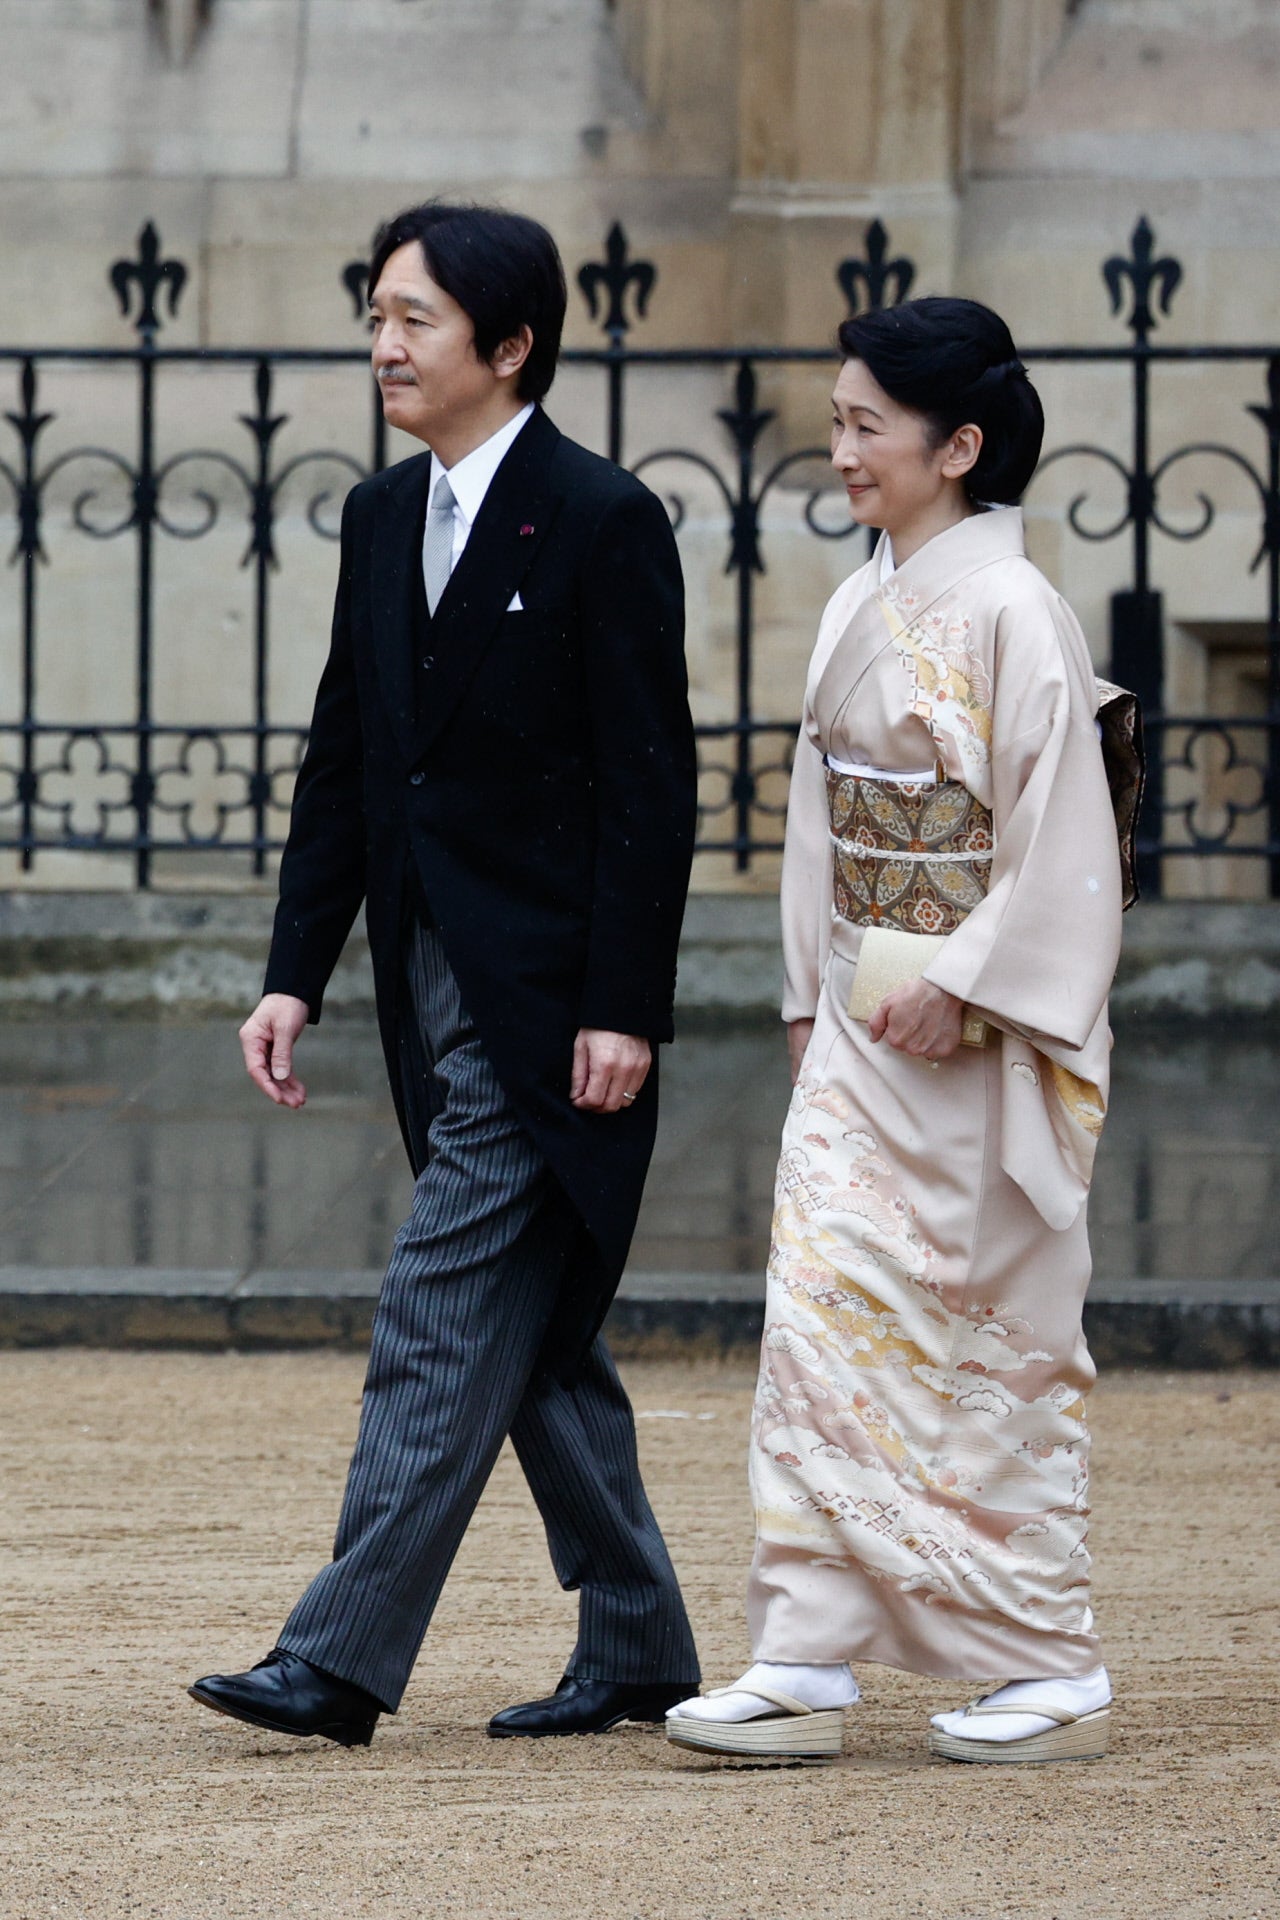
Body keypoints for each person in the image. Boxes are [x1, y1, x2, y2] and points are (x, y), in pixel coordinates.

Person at [189, 201, 701, 1748]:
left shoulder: (603, 517)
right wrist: (297, 976)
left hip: (546, 1005)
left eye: (414, 319)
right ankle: (639, 1638)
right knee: (527, 1327)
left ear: (512, 344)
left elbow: (650, 787)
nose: (384, 345)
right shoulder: (375, 515)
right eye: (377, 317)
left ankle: (337, 1656)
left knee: (436, 1301)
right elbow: (347, 763)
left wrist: (623, 1005)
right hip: (425, 980)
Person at [666, 296, 1129, 1765]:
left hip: (981, 1040)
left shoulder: (1014, 610)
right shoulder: (869, 593)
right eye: (843, 416)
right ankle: (805, 1647)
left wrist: (976, 976)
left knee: (989, 1337)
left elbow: (1068, 840)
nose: (842, 446)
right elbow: (821, 815)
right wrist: (812, 988)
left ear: (961, 444)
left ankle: (1045, 1657)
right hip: (868, 1021)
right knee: (820, 1315)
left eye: (869, 422)